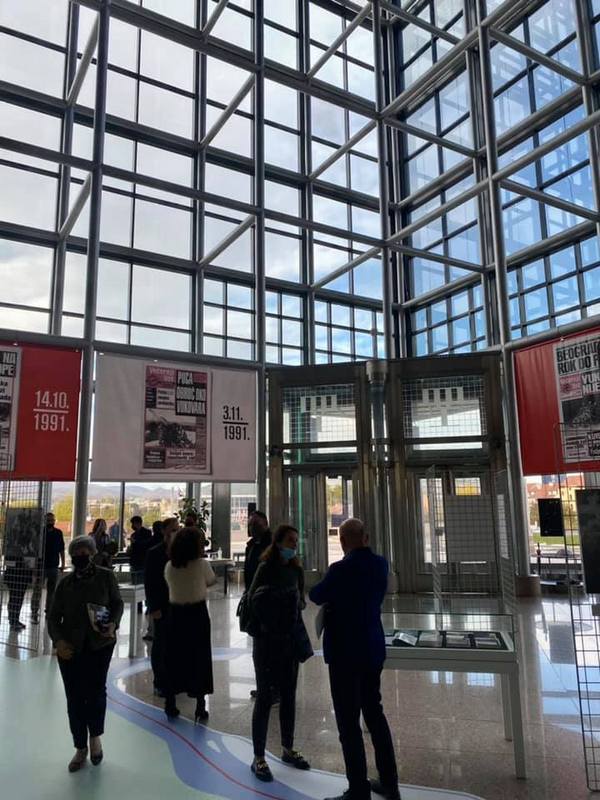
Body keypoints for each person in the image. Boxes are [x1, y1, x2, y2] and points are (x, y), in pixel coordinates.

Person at [309, 519, 400, 800]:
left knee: (348, 723)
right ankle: (389, 783)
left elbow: (316, 594)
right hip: (372, 648)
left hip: (345, 654)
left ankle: (359, 789)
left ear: (342, 542)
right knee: (374, 714)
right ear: (366, 538)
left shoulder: (339, 569)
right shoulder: (380, 564)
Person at [48, 535, 123, 773]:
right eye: (76, 554)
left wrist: (113, 623)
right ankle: (80, 746)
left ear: (92, 554)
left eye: (84, 553)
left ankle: (95, 738)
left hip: (100, 644)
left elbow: (117, 603)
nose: (80, 557)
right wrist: (59, 641)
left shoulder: (106, 577)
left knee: (96, 692)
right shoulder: (65, 584)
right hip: (70, 649)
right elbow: (53, 617)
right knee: (74, 697)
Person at [248, 524, 311, 783]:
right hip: (266, 642)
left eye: (296, 541)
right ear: (278, 543)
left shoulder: (296, 569)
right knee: (265, 697)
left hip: (289, 642)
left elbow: (302, 601)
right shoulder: (265, 568)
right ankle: (258, 757)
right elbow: (251, 599)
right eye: (290, 541)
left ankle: (287, 747)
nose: (294, 545)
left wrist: (293, 603)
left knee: (288, 695)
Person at [163, 526, 216, 722]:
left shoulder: (170, 566)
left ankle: (170, 702)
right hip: (197, 614)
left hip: (175, 614)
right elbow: (211, 581)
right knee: (199, 658)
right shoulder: (202, 565)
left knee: (174, 658)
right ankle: (200, 706)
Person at [144, 517, 179, 696]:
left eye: (177, 529)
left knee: (175, 643)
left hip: (178, 604)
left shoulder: (180, 552)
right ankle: (159, 682)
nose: (175, 533)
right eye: (173, 529)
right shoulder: (154, 553)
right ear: (164, 531)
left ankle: (174, 678)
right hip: (162, 605)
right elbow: (150, 582)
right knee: (160, 643)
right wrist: (153, 607)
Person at [31, 511, 65, 624]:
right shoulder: (40, 533)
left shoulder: (58, 533)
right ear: (44, 521)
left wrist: (63, 564)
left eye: (52, 520)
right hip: (41, 566)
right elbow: (35, 550)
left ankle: (49, 612)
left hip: (53, 566)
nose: (51, 522)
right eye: (48, 520)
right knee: (37, 590)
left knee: (52, 592)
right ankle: (34, 613)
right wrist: (34, 567)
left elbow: (61, 549)